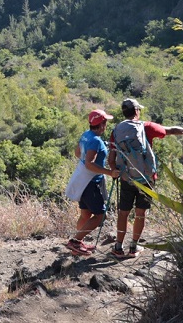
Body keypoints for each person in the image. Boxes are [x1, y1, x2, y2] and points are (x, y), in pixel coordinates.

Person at [107, 98, 183, 259]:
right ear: (136, 111)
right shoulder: (146, 126)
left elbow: (111, 157)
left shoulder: (116, 130)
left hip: (126, 177)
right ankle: (133, 247)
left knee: (123, 212)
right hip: (147, 177)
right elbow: (169, 130)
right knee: (140, 212)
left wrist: (114, 170)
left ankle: (118, 247)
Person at [63, 109, 120, 256]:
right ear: (101, 125)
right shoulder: (96, 140)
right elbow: (89, 163)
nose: (105, 125)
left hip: (82, 180)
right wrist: (109, 172)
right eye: (105, 122)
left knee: (86, 214)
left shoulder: (86, 135)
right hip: (91, 183)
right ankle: (75, 242)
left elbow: (77, 153)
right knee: (100, 216)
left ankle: (77, 244)